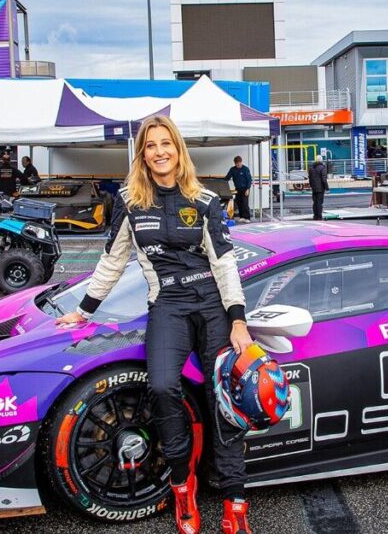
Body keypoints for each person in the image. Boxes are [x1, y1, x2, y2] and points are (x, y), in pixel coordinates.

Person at [55, 115, 255, 534]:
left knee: (223, 400)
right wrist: (85, 310)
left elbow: (224, 264)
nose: (160, 151)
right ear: (142, 153)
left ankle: (235, 503)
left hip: (212, 305)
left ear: (178, 149)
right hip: (167, 304)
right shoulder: (129, 201)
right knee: (162, 387)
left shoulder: (204, 199)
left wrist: (238, 321)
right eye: (151, 145)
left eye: (167, 143)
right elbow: (112, 260)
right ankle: (183, 485)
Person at [225, 155, 252, 223]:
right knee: (239, 203)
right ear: (235, 163)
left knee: (245, 203)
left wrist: (248, 189)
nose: (238, 164)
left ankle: (247, 217)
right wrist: (219, 181)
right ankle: (242, 217)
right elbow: (227, 177)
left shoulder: (245, 169)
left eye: (239, 163)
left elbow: (249, 180)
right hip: (237, 189)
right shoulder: (232, 169)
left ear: (241, 162)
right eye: (237, 163)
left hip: (245, 189)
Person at [309, 155, 328, 221]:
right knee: (319, 202)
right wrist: (327, 188)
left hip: (314, 188)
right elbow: (324, 179)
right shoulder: (322, 168)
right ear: (321, 160)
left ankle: (315, 216)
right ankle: (319, 217)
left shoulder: (311, 168)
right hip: (320, 188)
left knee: (315, 202)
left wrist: (312, 186)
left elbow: (310, 179)